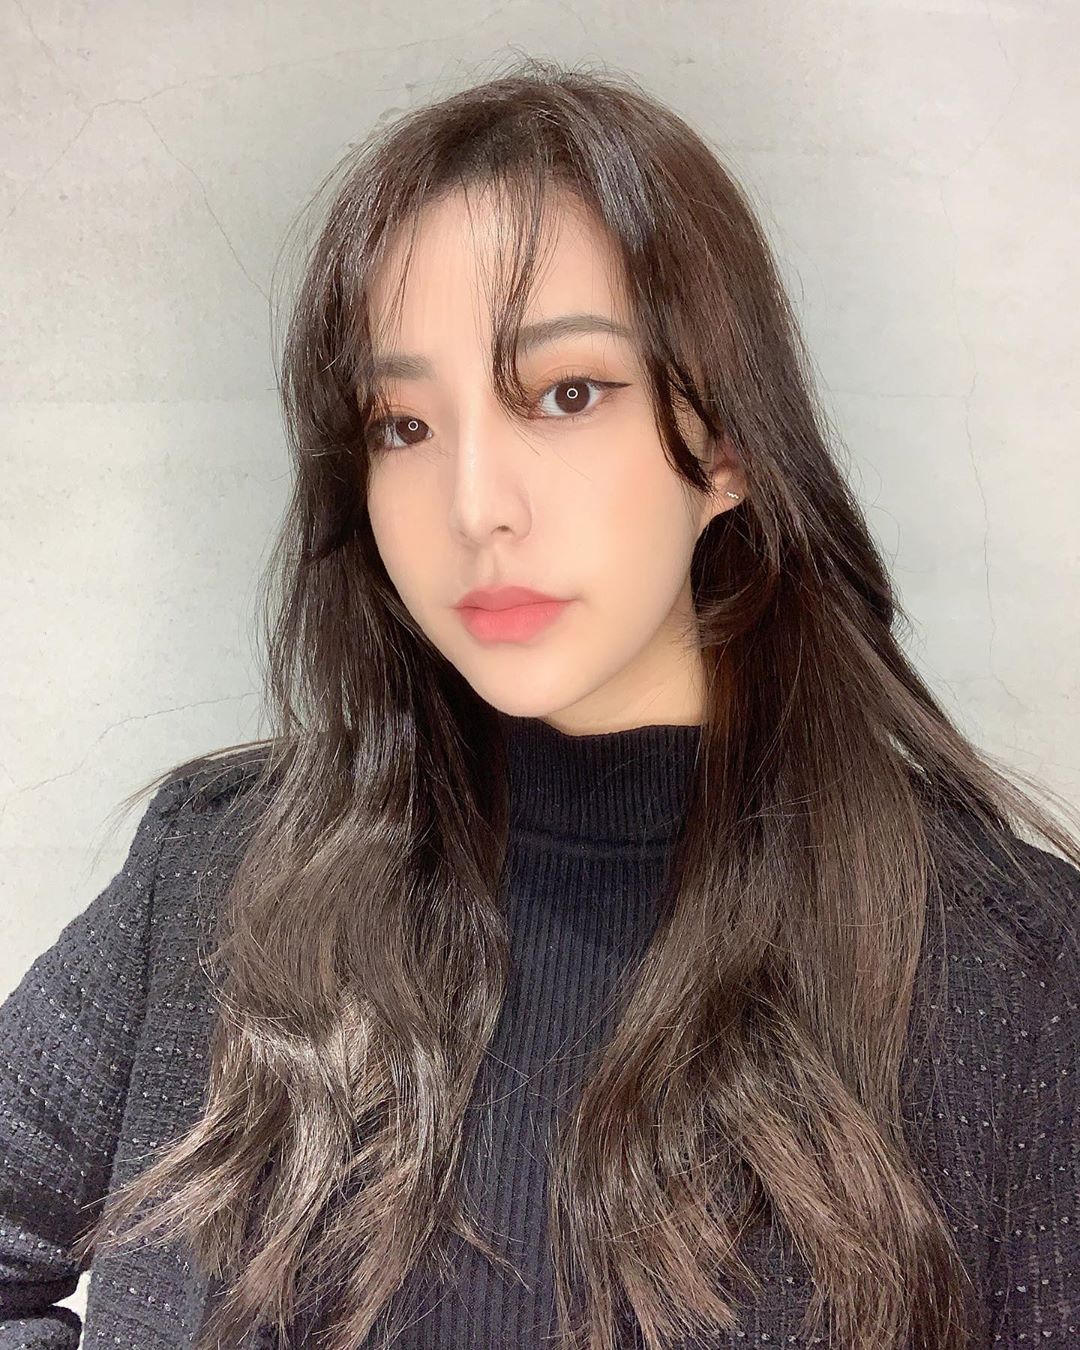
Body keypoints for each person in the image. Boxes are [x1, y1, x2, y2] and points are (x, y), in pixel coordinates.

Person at [2, 56, 1078, 1350]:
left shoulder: (1008, 975)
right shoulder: (209, 882)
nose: (474, 507)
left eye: (566, 393)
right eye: (401, 424)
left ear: (728, 444)